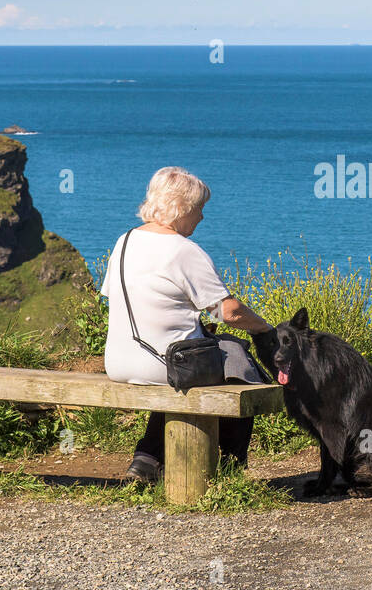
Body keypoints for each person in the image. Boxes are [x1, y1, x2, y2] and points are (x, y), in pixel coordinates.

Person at [100, 166, 273, 483]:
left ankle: (147, 460)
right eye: (199, 208)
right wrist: (263, 327)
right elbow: (227, 312)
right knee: (238, 365)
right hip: (164, 364)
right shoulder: (183, 251)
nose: (202, 217)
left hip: (119, 362)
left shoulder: (124, 241)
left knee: (179, 370)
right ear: (181, 208)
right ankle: (228, 468)